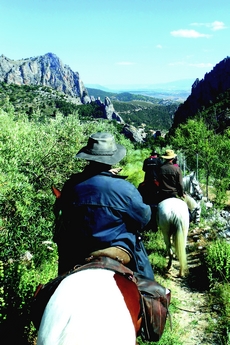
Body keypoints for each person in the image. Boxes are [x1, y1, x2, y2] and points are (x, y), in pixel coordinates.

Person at [53, 132, 154, 280]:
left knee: (54, 285)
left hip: (76, 251)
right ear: (112, 159)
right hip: (117, 250)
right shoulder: (125, 189)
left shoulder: (71, 185)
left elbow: (60, 212)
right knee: (149, 288)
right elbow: (144, 219)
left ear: (88, 157)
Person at [138, 150, 162, 232]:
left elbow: (144, 170)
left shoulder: (146, 160)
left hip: (147, 181)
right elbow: (160, 171)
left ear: (151, 155)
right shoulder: (159, 161)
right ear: (156, 155)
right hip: (156, 182)